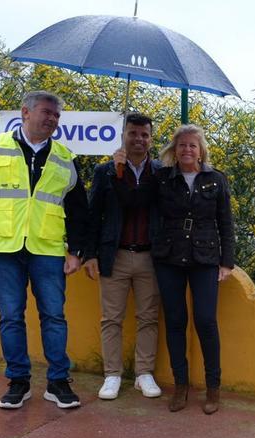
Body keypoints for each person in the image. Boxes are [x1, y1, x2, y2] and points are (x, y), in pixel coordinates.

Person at [0, 90, 88, 409]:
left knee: (54, 316)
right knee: (11, 316)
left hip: (48, 248)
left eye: (56, 115)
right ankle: (18, 381)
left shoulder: (64, 156)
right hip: (4, 247)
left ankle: (58, 382)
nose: (52, 119)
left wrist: (77, 250)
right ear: (25, 112)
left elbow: (78, 208)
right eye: (46, 112)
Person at [116, 124, 234, 414]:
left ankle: (213, 387)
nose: (187, 150)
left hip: (205, 258)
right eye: (181, 145)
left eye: (192, 145)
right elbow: (134, 201)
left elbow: (226, 223)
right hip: (169, 257)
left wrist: (227, 261)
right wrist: (120, 171)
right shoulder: (162, 179)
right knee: (176, 320)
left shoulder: (216, 180)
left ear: (201, 149)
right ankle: (180, 385)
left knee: (206, 321)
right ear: (173, 149)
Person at [83, 112, 163, 400]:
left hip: (149, 257)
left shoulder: (161, 171)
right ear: (123, 135)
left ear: (151, 139)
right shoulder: (105, 171)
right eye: (133, 133)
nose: (138, 139)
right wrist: (89, 254)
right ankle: (112, 375)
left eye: (144, 134)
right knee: (111, 318)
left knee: (148, 318)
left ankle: (144, 373)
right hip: (113, 255)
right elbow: (94, 215)